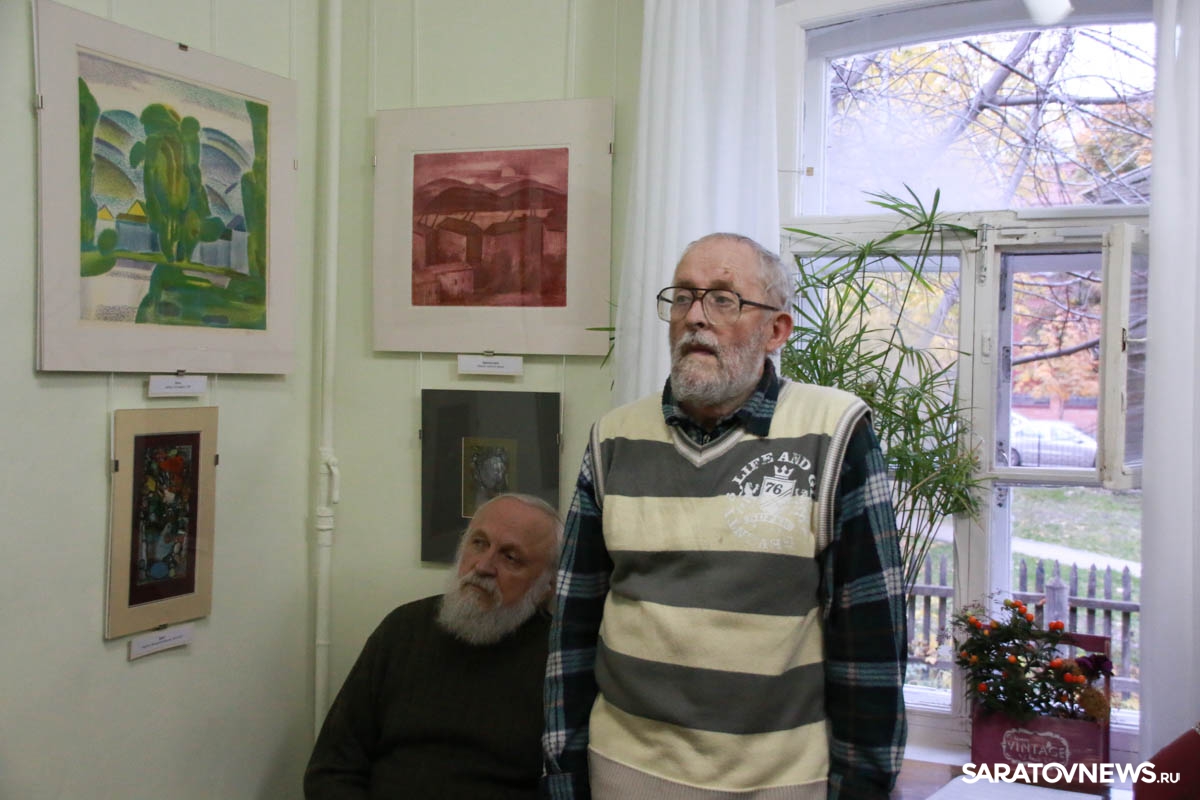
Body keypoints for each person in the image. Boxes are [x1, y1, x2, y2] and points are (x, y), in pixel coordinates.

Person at [542, 233, 907, 799]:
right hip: (623, 772)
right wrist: (563, 771)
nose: (695, 317)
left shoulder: (835, 431)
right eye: (683, 297)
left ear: (776, 331)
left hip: (781, 782)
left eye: (722, 299)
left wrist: (864, 786)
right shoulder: (613, 438)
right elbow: (574, 622)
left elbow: (870, 638)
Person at [305, 493, 563, 799]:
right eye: (479, 543)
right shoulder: (402, 630)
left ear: (547, 585)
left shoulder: (559, 661)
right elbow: (332, 767)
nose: (483, 565)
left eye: (510, 557)